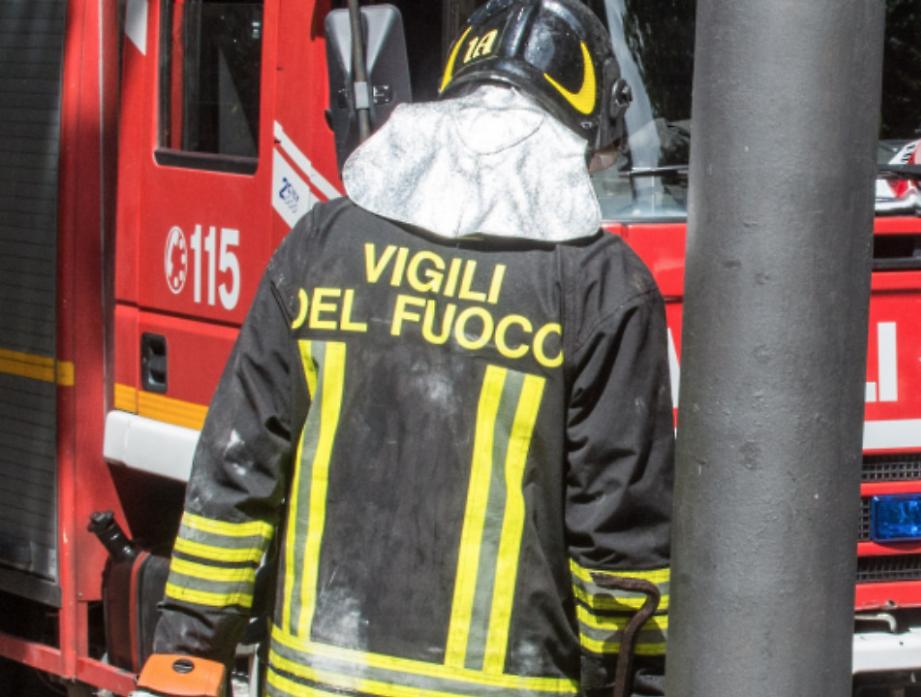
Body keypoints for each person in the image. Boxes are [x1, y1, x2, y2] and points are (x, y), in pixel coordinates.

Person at [138, 1, 674, 696]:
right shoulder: (603, 288)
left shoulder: (322, 245)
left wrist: (186, 654)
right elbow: (619, 545)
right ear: (584, 129)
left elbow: (236, 474)